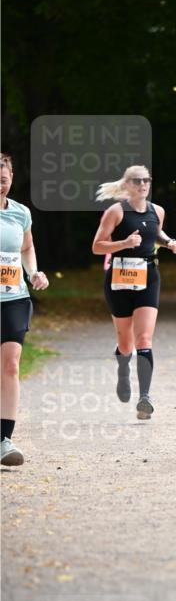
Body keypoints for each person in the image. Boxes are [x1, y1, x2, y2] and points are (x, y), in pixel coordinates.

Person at [91, 165, 176, 419]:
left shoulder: (157, 211)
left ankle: (145, 398)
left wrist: (168, 242)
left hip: (148, 277)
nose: (143, 185)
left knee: (144, 339)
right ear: (127, 184)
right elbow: (97, 246)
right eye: (137, 181)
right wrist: (124, 244)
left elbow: (155, 233)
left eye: (146, 180)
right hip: (119, 278)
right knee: (125, 342)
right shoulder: (116, 212)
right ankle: (123, 369)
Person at [1, 154, 49, 466]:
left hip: (14, 297)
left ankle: (4, 440)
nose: (1, 180)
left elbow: (27, 248)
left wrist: (33, 272)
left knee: (10, 365)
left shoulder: (20, 213)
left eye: (4, 175)